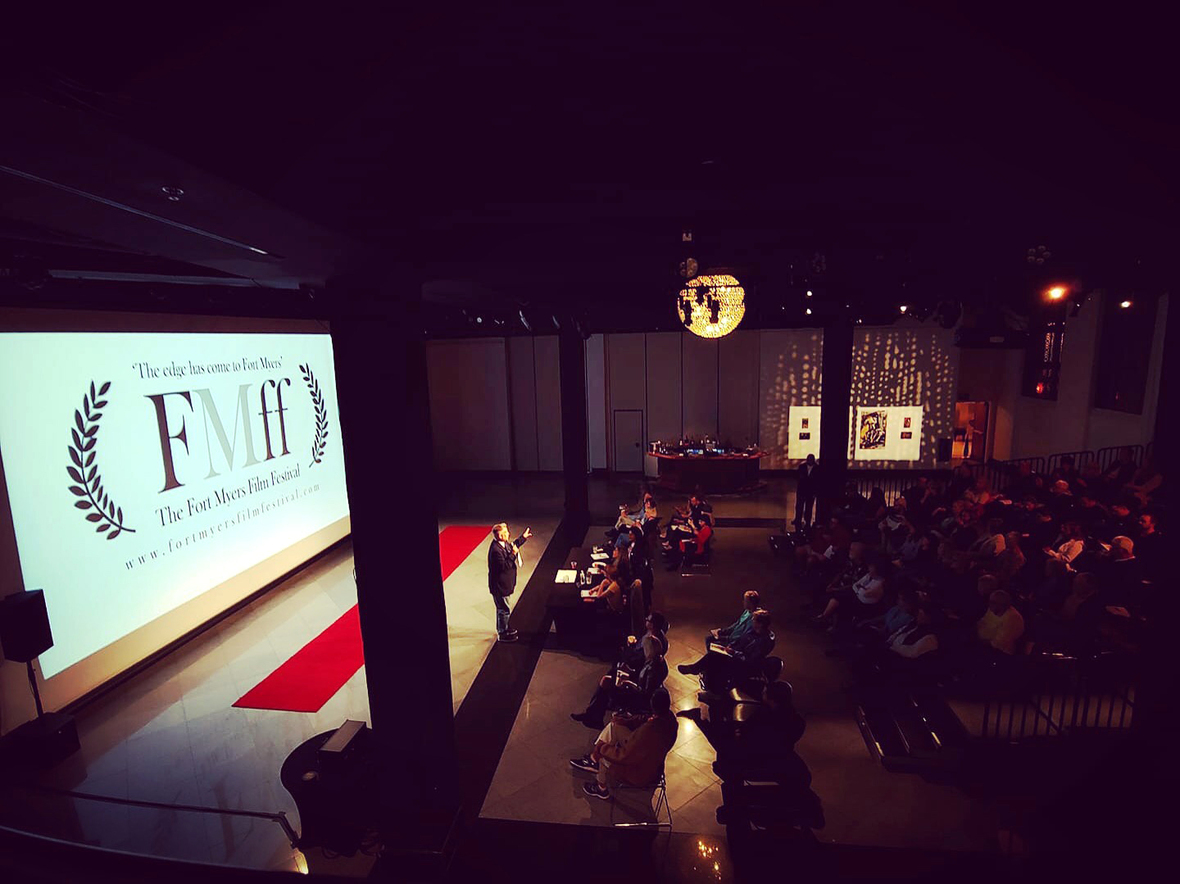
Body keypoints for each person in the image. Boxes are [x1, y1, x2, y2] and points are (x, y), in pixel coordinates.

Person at [572, 688, 678, 800]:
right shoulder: (670, 720)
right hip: (652, 761)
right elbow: (645, 720)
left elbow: (625, 756)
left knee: (603, 759)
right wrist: (626, 721)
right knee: (615, 726)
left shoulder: (649, 731)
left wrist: (603, 749)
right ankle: (593, 759)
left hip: (639, 771)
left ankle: (601, 788)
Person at [570, 614, 669, 729]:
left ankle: (594, 715)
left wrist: (627, 680)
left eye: (648, 620)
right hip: (636, 676)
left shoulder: (652, 668)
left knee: (607, 681)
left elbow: (644, 692)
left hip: (635, 690)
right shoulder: (655, 655)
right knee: (609, 676)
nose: (645, 620)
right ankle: (593, 714)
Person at [677, 610, 775, 687]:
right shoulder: (753, 632)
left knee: (712, 657)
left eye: (754, 619)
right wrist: (731, 646)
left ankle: (696, 670)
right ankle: (702, 673)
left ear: (760, 624)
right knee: (714, 651)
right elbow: (741, 640)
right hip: (735, 653)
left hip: (743, 664)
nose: (752, 621)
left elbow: (750, 659)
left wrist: (734, 652)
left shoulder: (764, 641)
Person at [488, 522, 531, 642]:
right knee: (503, 610)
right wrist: (513, 554)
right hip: (500, 586)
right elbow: (504, 566)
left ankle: (504, 627)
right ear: (500, 535)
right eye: (505, 532)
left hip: (505, 584)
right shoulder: (495, 551)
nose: (508, 534)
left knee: (503, 608)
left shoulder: (503, 543)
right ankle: (503, 633)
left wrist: (523, 538)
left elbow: (513, 545)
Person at [975, 589, 1025, 655]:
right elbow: (983, 621)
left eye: (993, 602)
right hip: (983, 642)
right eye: (990, 601)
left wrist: (978, 641)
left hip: (999, 652)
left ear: (1002, 605)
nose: (989, 604)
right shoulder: (993, 610)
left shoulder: (1012, 618)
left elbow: (999, 643)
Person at [795, 454, 820, 530]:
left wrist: (815, 492)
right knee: (799, 506)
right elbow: (798, 477)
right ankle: (797, 519)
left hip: (811, 491)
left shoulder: (817, 469)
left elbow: (818, 481)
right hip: (802, 490)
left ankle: (807, 521)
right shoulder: (801, 467)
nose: (809, 461)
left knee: (809, 507)